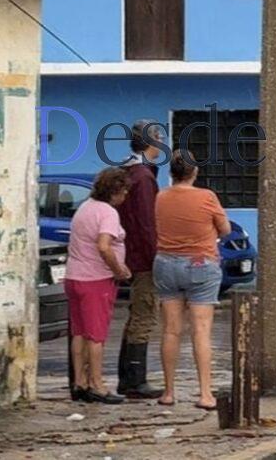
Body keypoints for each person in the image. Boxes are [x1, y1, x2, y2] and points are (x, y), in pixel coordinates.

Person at [153, 150, 231, 410]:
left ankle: (168, 392)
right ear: (194, 172)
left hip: (165, 263)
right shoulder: (206, 197)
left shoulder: (161, 197)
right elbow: (225, 229)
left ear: (171, 173)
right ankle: (205, 394)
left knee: (171, 330)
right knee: (201, 330)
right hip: (200, 263)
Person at [64, 167, 132, 404]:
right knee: (96, 334)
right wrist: (118, 269)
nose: (125, 197)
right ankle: (97, 384)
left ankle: (80, 382)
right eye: (124, 192)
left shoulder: (85, 207)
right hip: (96, 279)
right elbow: (104, 245)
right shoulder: (107, 213)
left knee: (80, 332)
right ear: (116, 191)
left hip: (74, 276)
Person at [116, 119, 165, 399]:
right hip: (143, 259)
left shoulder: (128, 171)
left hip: (131, 254)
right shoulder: (144, 178)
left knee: (136, 315)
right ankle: (135, 379)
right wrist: (155, 257)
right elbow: (147, 224)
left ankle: (129, 377)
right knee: (144, 316)